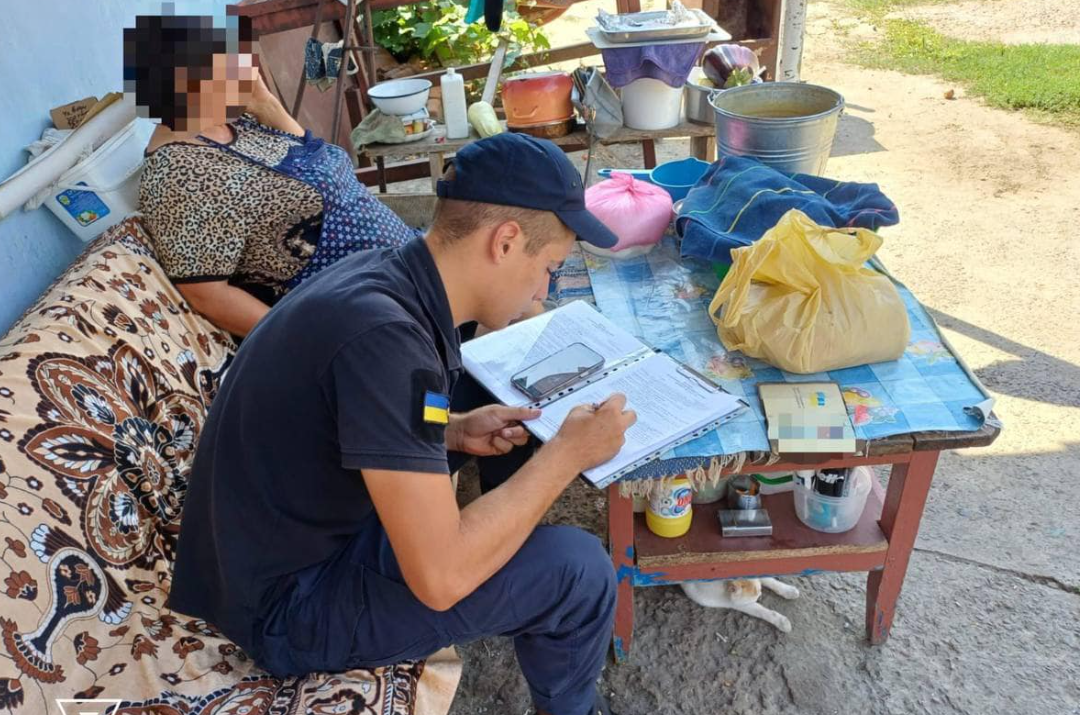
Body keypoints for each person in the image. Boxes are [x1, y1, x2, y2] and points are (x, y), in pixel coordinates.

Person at [169, 133, 637, 715]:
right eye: (549, 268)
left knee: (495, 397)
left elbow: (379, 405)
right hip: (287, 608)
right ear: (505, 241)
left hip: (272, 545)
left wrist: (453, 429)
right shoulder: (386, 339)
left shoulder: (390, 273)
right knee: (578, 571)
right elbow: (440, 579)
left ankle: (509, 562)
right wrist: (566, 455)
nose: (544, 289)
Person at [125, 13, 419, 337]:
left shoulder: (232, 123)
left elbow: (317, 157)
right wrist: (309, 341)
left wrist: (264, 102)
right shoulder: (179, 173)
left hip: (400, 267)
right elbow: (207, 295)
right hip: (361, 311)